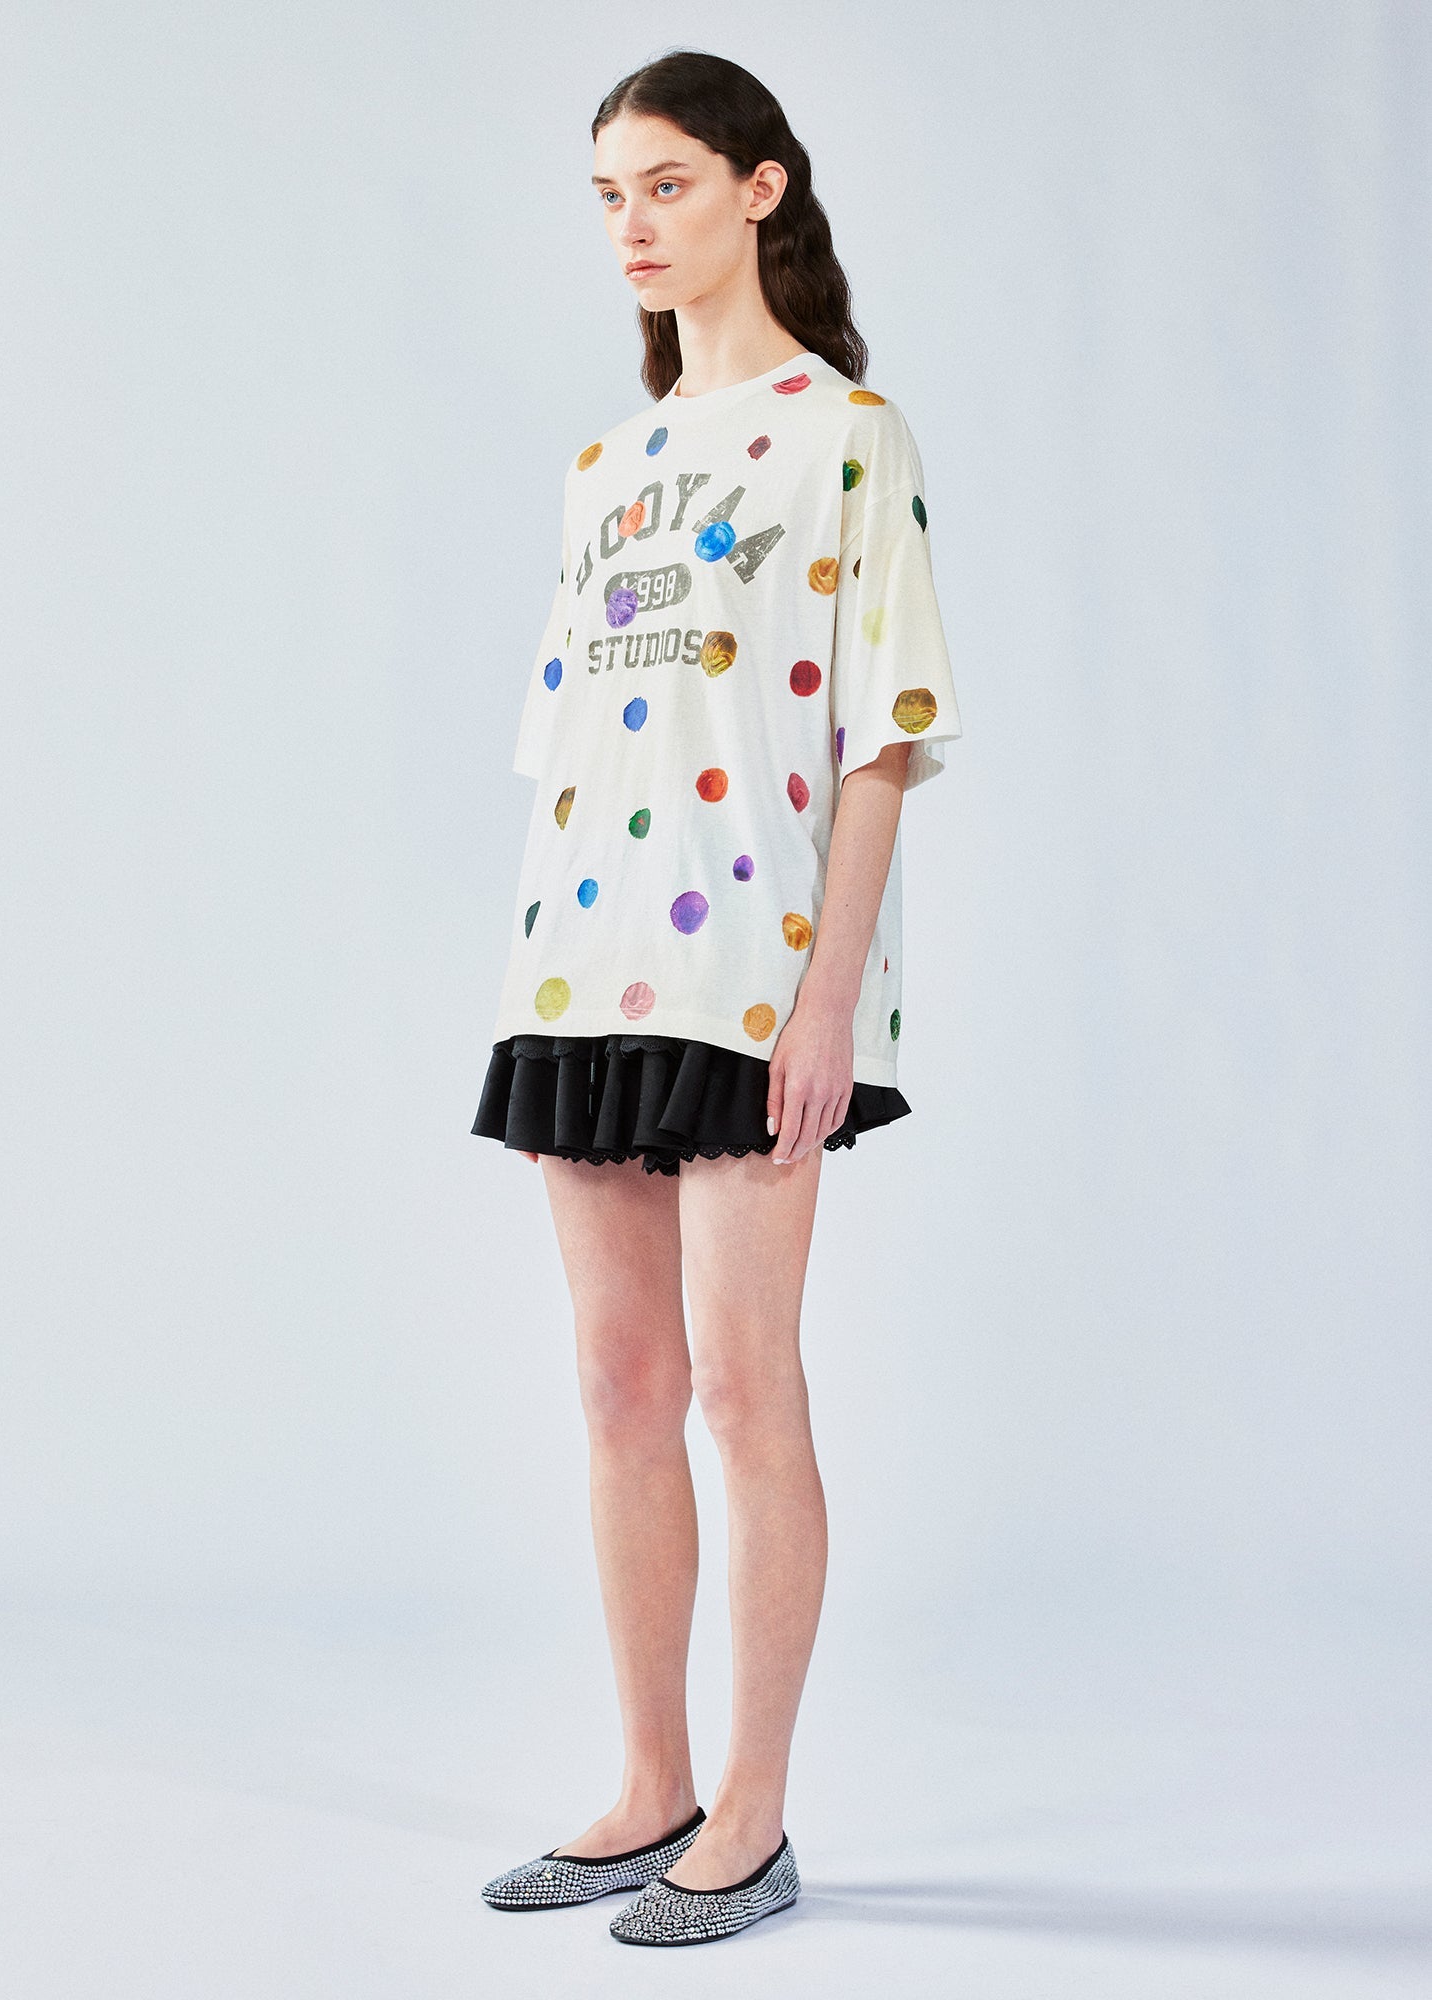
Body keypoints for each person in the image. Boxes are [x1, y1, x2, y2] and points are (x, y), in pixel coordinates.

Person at [472, 49, 962, 1948]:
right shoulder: (605, 468)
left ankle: (752, 1820)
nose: (632, 225)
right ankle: (649, 1785)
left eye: (666, 184)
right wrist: (531, 975)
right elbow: (573, 744)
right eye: (609, 195)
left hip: (751, 974)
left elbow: (883, 737)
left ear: (762, 189)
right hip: (580, 963)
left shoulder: (848, 437)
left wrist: (832, 1004)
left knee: (748, 1386)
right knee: (621, 1388)